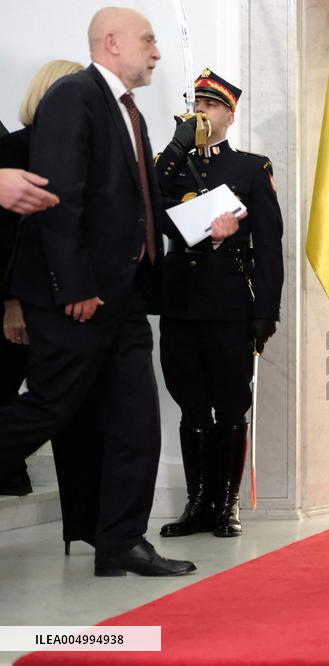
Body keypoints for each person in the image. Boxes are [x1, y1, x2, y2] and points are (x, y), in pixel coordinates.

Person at [0, 7, 195, 577]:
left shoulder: (128, 110)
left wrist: (193, 228)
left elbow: (136, 204)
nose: (157, 52)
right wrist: (75, 286)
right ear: (112, 42)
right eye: (148, 40)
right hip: (78, 299)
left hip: (124, 298)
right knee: (48, 408)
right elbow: (58, 200)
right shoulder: (73, 96)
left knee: (137, 423)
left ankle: (121, 544)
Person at [155, 68, 283, 539]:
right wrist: (176, 149)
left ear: (230, 115)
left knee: (230, 405)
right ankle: (197, 505)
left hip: (229, 304)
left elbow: (268, 244)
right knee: (191, 405)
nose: (202, 113)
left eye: (211, 106)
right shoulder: (168, 164)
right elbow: (148, 207)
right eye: (197, 105)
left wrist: (265, 311)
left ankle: (226, 504)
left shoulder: (250, 168)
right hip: (181, 304)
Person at [0, 59, 84, 501]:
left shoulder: (79, 155)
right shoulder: (13, 149)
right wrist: (10, 302)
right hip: (18, 299)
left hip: (63, 300)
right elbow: (6, 236)